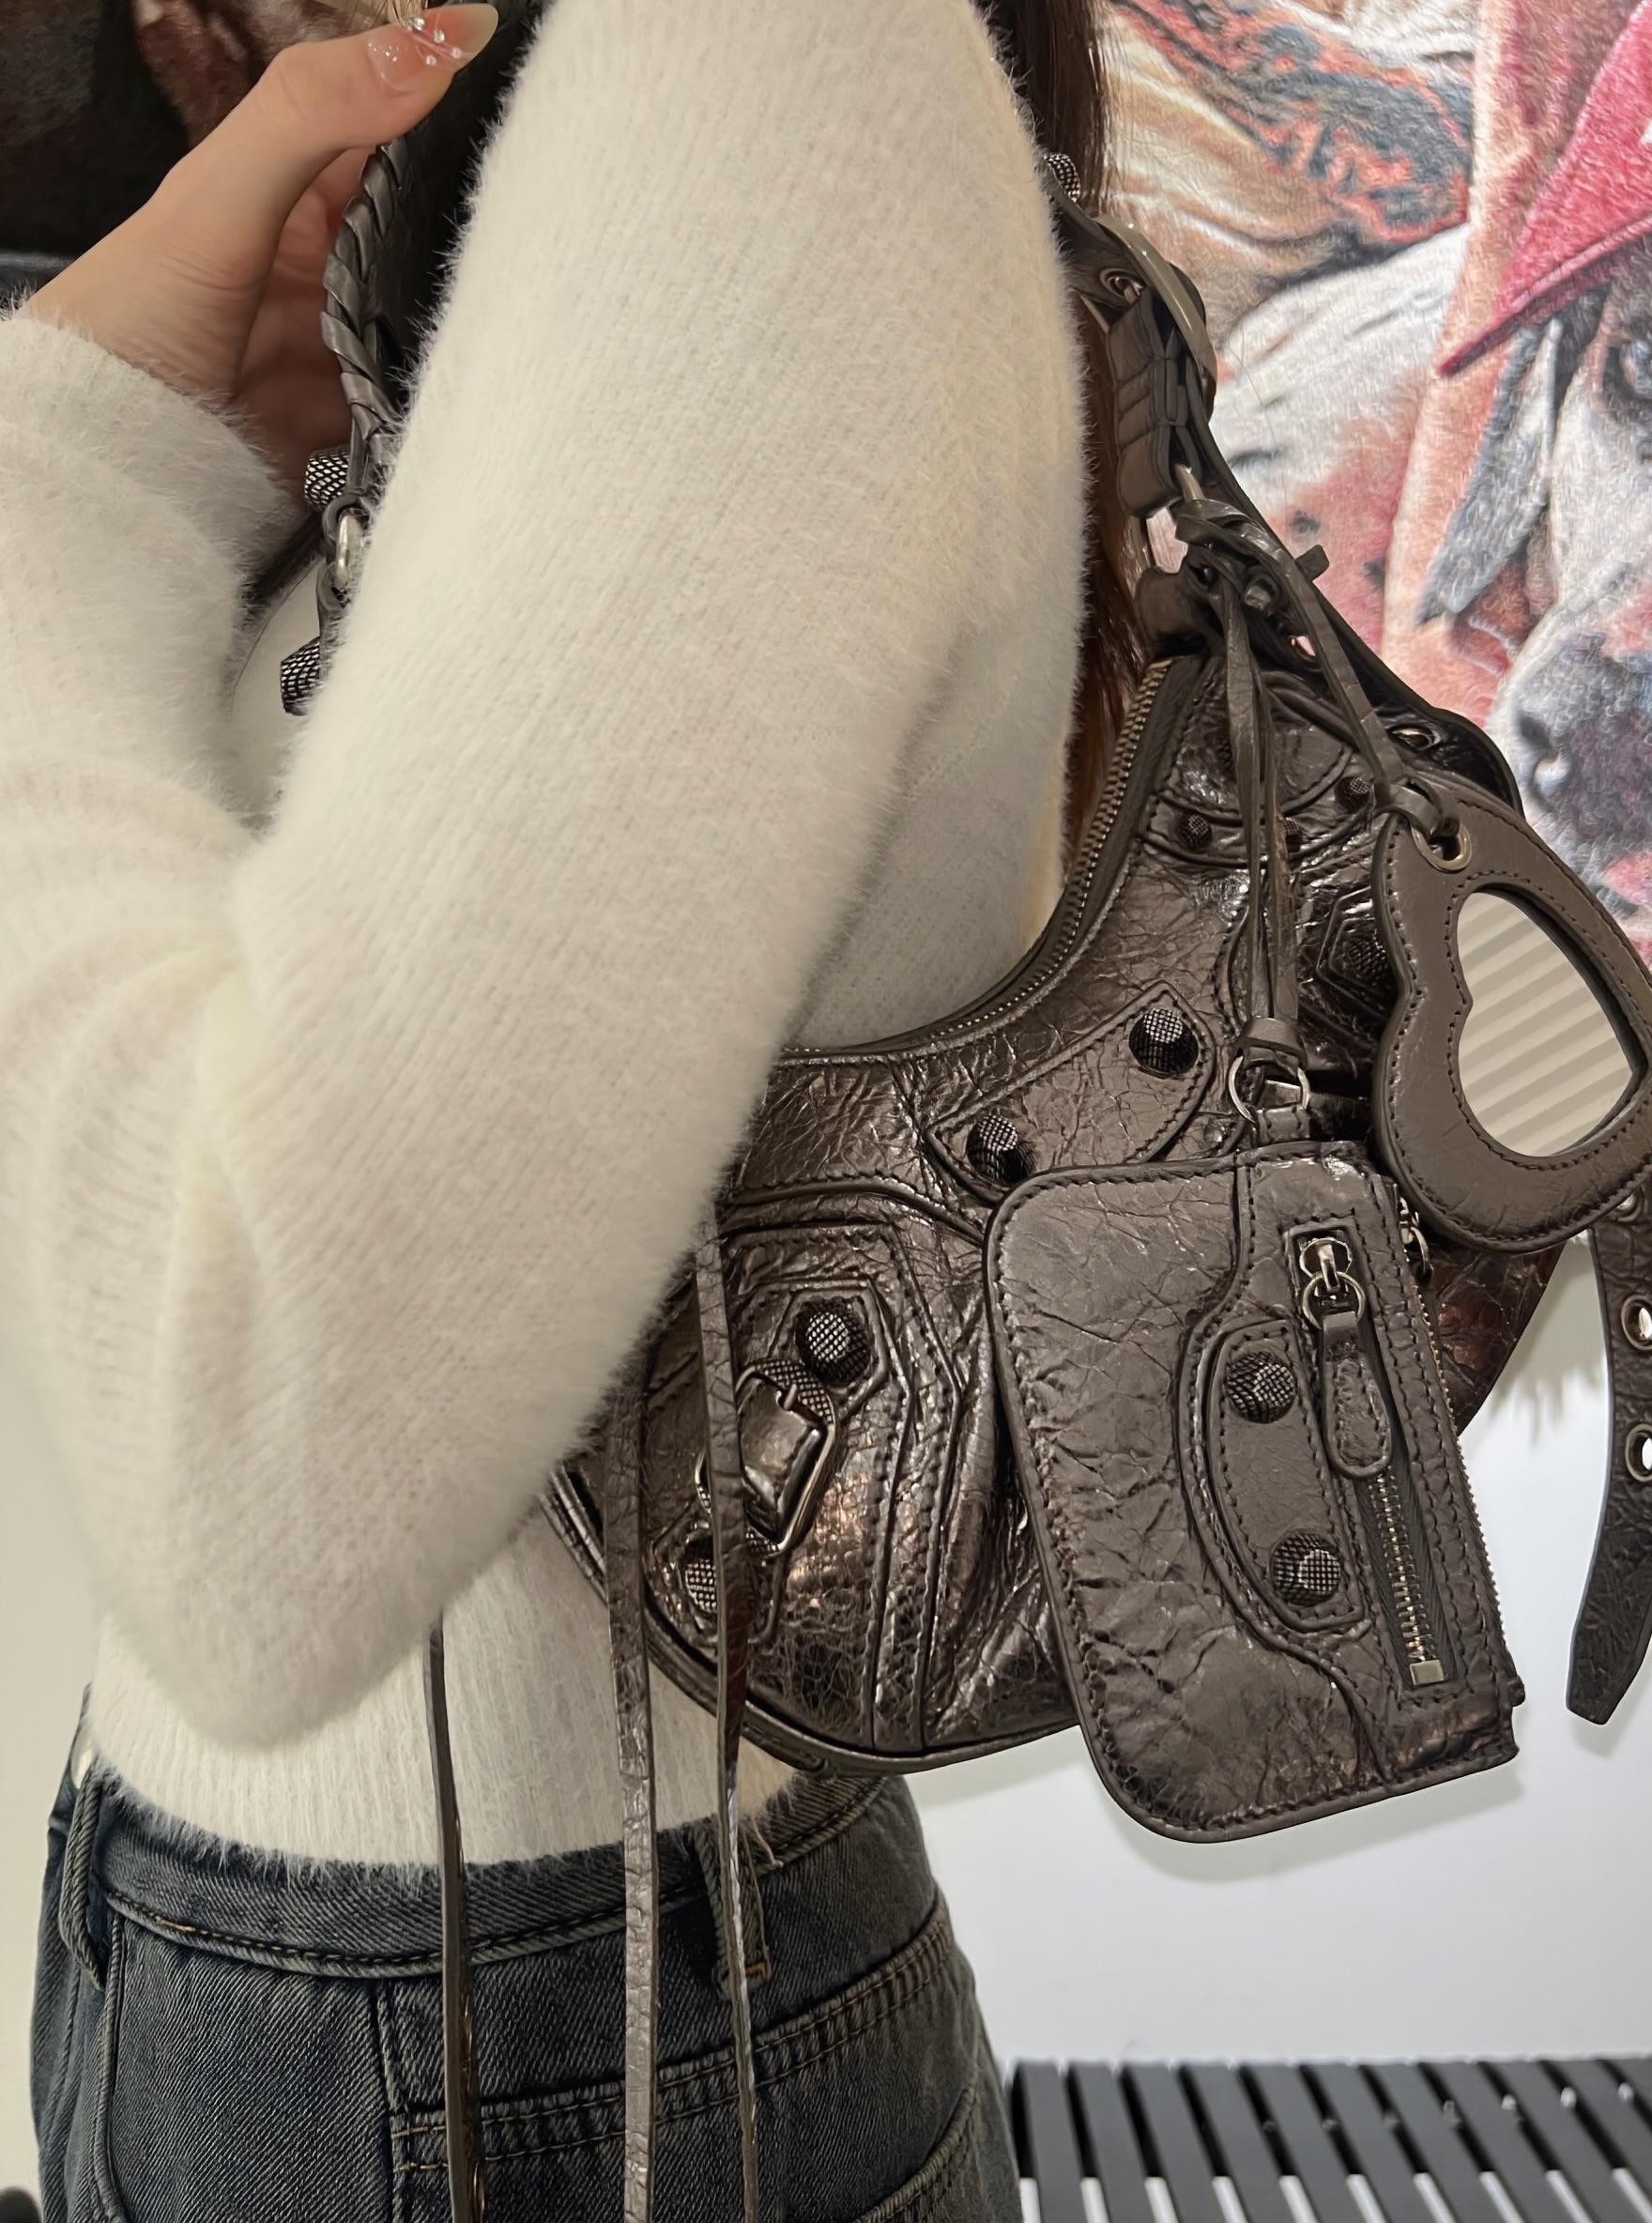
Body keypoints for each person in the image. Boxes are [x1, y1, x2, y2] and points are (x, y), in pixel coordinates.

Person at [2, 0, 1137, 2213]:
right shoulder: (612, 145)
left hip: (505, 2029)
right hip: (442, 1988)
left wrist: (64, 469)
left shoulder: (758, 81)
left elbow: (261, 1481)